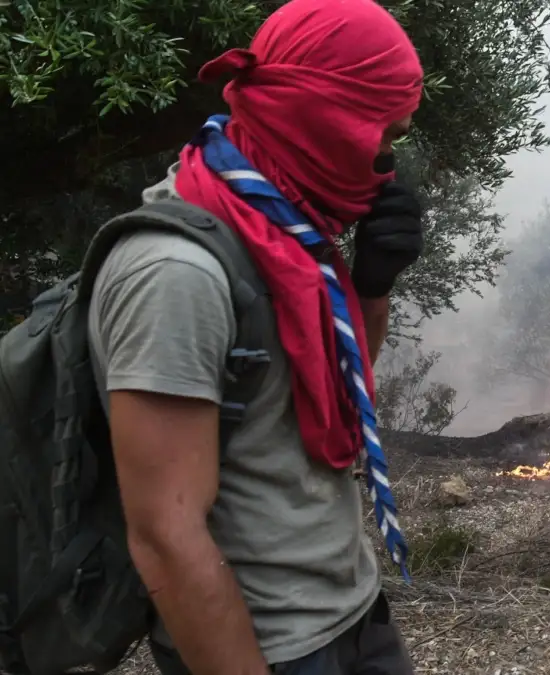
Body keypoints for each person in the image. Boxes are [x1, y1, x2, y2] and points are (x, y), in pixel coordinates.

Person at [86, 0, 426, 673]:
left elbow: (323, 409)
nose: (388, 162)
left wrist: (371, 287)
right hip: (271, 646)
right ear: (325, 118)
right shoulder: (175, 271)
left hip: (352, 613)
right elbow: (164, 533)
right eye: (383, 136)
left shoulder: (290, 233)